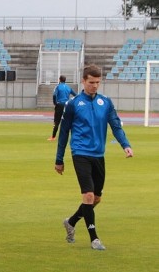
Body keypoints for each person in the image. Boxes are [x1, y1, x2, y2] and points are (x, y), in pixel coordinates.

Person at [55, 64, 133, 251]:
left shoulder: (105, 102)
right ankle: (94, 239)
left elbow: (115, 126)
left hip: (99, 154)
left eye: (98, 82)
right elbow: (64, 132)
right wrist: (59, 159)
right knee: (88, 195)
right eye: (91, 82)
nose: (95, 86)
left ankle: (71, 221)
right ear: (83, 81)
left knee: (96, 198)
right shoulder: (73, 104)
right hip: (80, 153)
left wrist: (126, 145)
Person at [48, 75, 76, 141]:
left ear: (59, 79)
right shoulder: (68, 87)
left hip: (59, 105)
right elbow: (76, 95)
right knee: (68, 121)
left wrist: (55, 103)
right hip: (67, 105)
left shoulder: (58, 87)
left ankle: (53, 137)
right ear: (65, 80)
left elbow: (54, 95)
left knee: (56, 121)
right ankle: (72, 137)